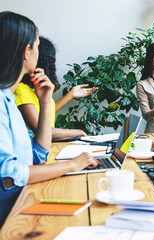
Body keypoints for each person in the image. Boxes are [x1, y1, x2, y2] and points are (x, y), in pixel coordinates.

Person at [0, 11, 99, 226]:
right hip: (11, 219)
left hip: (24, 202)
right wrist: (72, 165)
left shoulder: (7, 100)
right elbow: (10, 175)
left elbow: (38, 155)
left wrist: (45, 103)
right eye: (36, 45)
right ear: (27, 52)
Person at [14, 36, 98, 140]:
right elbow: (40, 130)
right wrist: (78, 132)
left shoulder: (37, 87)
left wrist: (71, 95)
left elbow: (46, 112)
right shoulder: (20, 89)